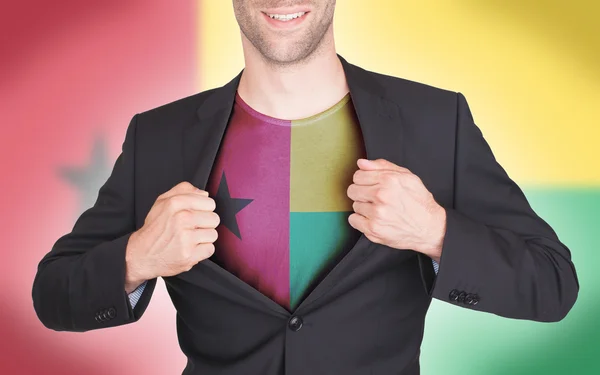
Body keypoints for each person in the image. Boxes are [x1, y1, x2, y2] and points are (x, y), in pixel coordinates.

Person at [32, 1, 580, 374]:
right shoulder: (158, 136)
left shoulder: (436, 120)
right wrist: (137, 257)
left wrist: (437, 232)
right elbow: (53, 294)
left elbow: (552, 284)